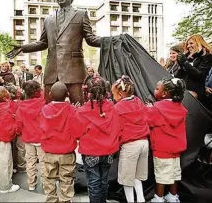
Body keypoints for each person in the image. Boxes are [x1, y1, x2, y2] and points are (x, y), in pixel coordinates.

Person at [6, 0, 103, 105]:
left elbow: (91, 39)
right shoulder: (48, 19)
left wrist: (109, 41)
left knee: (78, 107)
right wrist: (23, 47)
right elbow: (42, 42)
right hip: (52, 71)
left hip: (73, 70)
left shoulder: (80, 14)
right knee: (49, 108)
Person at [75, 76, 120, 203]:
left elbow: (77, 133)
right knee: (104, 181)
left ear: (87, 93)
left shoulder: (81, 111)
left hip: (90, 152)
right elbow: (117, 129)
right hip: (108, 151)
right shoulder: (112, 108)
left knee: (94, 183)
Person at [40, 81, 84, 202]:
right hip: (67, 152)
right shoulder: (72, 110)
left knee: (48, 178)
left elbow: (41, 129)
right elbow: (77, 130)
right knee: (67, 178)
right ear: (68, 94)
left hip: (49, 151)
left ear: (50, 94)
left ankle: (51, 199)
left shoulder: (44, 110)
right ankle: (65, 200)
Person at [147, 78, 187, 203]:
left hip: (162, 149)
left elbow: (149, 120)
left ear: (164, 94)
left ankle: (159, 198)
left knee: (161, 176)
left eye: (157, 89)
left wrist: (148, 108)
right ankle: (173, 196)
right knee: (174, 175)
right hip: (176, 150)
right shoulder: (180, 108)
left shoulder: (157, 109)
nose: (155, 90)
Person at [112, 75, 149, 203]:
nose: (113, 97)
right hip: (144, 142)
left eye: (114, 94)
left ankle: (130, 201)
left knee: (127, 178)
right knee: (137, 176)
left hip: (130, 145)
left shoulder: (117, 108)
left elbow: (116, 129)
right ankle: (141, 199)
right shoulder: (138, 101)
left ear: (121, 95)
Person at [0, 86, 20, 193]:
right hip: (3, 139)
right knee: (5, 162)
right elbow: (9, 129)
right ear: (5, 98)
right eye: (6, 91)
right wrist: (16, 127)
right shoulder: (5, 110)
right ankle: (6, 186)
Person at [16, 80, 46, 191]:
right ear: (38, 91)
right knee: (44, 162)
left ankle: (31, 183)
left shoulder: (21, 106)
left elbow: (18, 123)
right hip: (41, 138)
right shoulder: (43, 104)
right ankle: (45, 183)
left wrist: (19, 132)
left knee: (30, 161)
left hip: (28, 138)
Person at [175, 34, 212, 101]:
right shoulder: (188, 57)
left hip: (195, 94)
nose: (188, 46)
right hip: (183, 91)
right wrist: (180, 66)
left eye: (191, 43)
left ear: (199, 43)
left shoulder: (207, 57)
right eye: (187, 44)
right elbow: (177, 76)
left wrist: (185, 63)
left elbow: (200, 75)